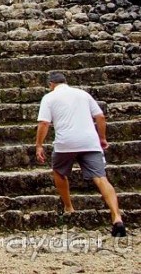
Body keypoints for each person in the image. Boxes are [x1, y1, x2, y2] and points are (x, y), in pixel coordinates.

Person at [36, 71, 127, 237]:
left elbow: (44, 123)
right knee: (101, 178)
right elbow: (100, 117)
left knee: (59, 172)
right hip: (89, 141)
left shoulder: (49, 98)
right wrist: (102, 138)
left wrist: (39, 145)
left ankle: (69, 207)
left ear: (51, 84)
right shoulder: (83, 94)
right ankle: (116, 217)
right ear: (66, 81)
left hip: (66, 142)